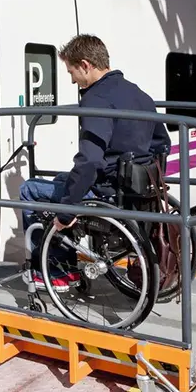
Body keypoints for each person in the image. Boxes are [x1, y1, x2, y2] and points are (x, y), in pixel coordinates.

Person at [20, 34, 170, 292]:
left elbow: (90, 161)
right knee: (61, 181)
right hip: (136, 190)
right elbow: (162, 144)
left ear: (86, 65)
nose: (71, 79)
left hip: (108, 192)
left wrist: (67, 212)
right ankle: (65, 248)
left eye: (71, 71)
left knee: (30, 189)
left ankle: (59, 272)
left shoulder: (95, 99)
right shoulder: (140, 94)